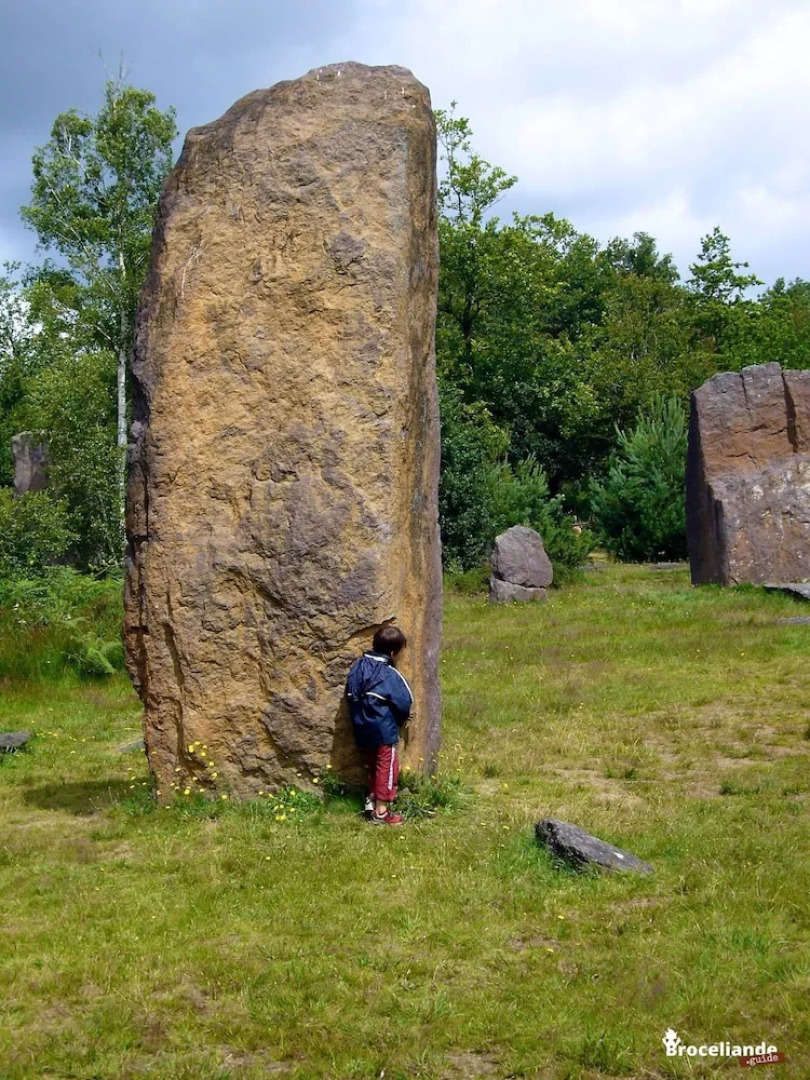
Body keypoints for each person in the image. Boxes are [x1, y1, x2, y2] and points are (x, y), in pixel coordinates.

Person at [345, 625, 413, 826]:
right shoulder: (389, 673)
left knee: (373, 764)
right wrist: (401, 720)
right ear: (393, 653)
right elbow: (404, 701)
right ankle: (382, 812)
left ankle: (372, 801)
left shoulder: (358, 666)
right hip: (383, 728)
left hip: (361, 725)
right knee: (387, 766)